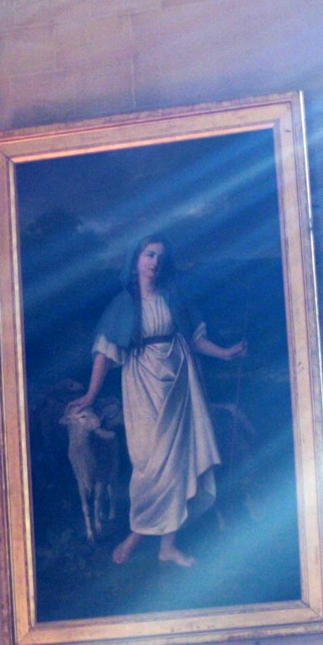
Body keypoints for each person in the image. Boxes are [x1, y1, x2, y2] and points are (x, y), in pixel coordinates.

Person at [66, 235, 245, 567]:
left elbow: (194, 340)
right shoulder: (124, 304)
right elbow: (104, 354)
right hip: (142, 384)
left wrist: (224, 353)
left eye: (161, 257)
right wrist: (91, 394)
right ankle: (140, 536)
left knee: (177, 460)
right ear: (136, 260)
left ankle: (166, 547)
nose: (154, 262)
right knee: (150, 463)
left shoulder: (173, 297)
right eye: (149, 255)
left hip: (178, 381)